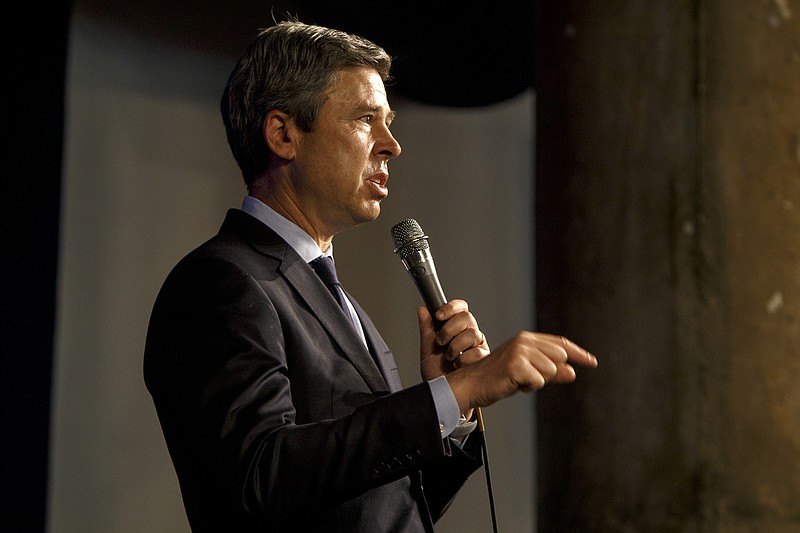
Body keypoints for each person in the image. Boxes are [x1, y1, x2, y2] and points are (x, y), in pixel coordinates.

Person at [143, 19, 597, 533]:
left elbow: (382, 508)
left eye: (389, 122)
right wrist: (460, 391)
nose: (391, 145)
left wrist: (452, 413)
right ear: (284, 134)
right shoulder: (221, 283)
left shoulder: (338, 301)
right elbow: (261, 476)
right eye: (365, 119)